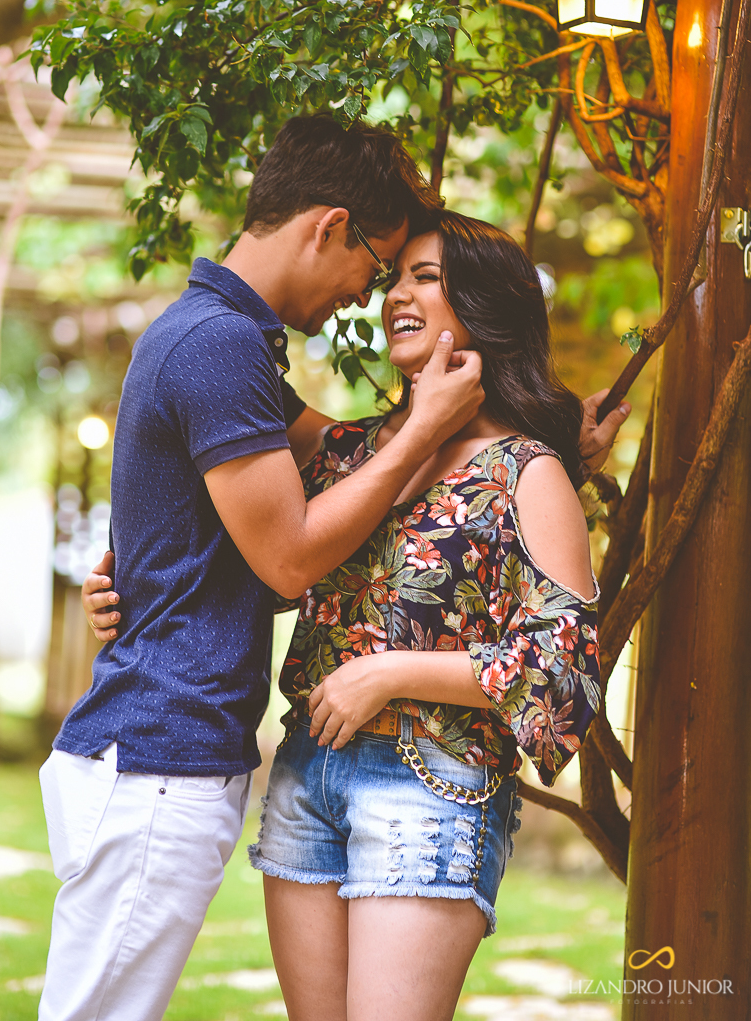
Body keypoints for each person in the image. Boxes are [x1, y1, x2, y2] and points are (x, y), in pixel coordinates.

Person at [82, 209, 629, 1021]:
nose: (393, 295)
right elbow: (259, 538)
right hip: (307, 778)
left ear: (483, 307)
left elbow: (563, 670)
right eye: (393, 277)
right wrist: (130, 588)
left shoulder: (527, 472)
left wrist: (390, 673)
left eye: (425, 277)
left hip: (431, 787)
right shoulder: (349, 453)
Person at [37, 116, 489, 1021]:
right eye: (375, 260)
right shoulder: (218, 344)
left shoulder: (218, 333)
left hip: (155, 750)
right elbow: (289, 561)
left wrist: (537, 428)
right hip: (159, 758)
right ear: (329, 226)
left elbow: (334, 450)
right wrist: (427, 432)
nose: (370, 293)